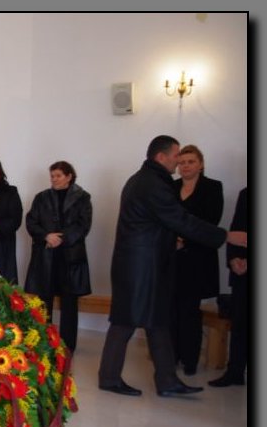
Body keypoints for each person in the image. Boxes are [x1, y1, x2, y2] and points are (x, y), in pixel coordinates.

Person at [98, 135, 246, 398]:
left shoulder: (145, 179)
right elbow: (180, 219)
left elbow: (164, 222)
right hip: (140, 266)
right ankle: (110, 378)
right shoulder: (151, 183)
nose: (179, 161)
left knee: (157, 321)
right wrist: (225, 236)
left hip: (142, 264)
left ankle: (166, 380)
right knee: (125, 322)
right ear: (161, 157)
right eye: (176, 155)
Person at [23, 161, 92, 352]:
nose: (54, 179)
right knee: (44, 301)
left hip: (70, 257)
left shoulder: (82, 197)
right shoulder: (41, 197)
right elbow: (31, 222)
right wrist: (46, 236)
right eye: (52, 176)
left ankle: (68, 346)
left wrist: (62, 238)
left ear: (69, 176)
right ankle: (45, 343)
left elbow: (83, 225)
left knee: (69, 302)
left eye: (58, 176)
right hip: (46, 256)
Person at [169, 145, 224, 376]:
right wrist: (173, 240)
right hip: (172, 257)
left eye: (191, 161)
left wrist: (184, 240)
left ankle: (190, 359)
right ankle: (172, 356)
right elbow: (163, 218)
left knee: (190, 311)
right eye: (182, 162)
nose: (185, 166)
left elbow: (210, 221)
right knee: (171, 309)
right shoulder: (170, 187)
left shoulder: (212, 187)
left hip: (198, 258)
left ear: (200, 164)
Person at [209, 187, 248, 387]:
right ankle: (235, 372)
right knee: (240, 323)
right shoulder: (246, 193)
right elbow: (236, 230)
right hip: (243, 272)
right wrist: (233, 259)